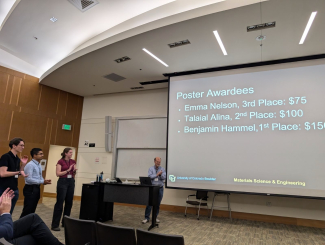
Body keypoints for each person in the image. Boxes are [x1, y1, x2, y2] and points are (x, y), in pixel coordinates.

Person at [20, 148, 51, 218]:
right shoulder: (30, 165)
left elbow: (39, 176)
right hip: (30, 189)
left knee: (32, 210)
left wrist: (44, 181)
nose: (42, 155)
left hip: (36, 188)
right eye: (40, 154)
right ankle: (19, 227)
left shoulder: (38, 164)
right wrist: (42, 181)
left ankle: (28, 227)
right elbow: (28, 179)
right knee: (27, 210)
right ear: (34, 155)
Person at [0, 138, 29, 214]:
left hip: (14, 189)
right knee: (2, 212)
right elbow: (2, 173)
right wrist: (18, 172)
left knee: (9, 213)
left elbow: (18, 174)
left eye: (23, 145)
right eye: (21, 145)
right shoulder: (6, 157)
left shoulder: (17, 159)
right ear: (14, 146)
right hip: (4, 189)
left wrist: (23, 165)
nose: (23, 147)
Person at [51, 148, 77, 231]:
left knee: (69, 202)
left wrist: (74, 171)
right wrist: (67, 170)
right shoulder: (60, 161)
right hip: (63, 181)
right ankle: (55, 224)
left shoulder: (73, 161)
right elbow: (58, 174)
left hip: (71, 181)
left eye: (72, 152)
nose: (71, 154)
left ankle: (65, 222)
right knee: (60, 202)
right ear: (65, 153)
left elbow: (73, 172)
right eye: (70, 152)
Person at [142, 157, 166, 224]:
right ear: (154, 161)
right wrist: (156, 175)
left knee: (157, 204)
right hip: (152, 188)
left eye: (159, 162)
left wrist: (160, 175)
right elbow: (149, 177)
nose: (158, 163)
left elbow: (164, 177)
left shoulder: (162, 169)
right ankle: (146, 218)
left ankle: (155, 217)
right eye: (157, 161)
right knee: (149, 203)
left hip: (160, 188)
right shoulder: (151, 169)